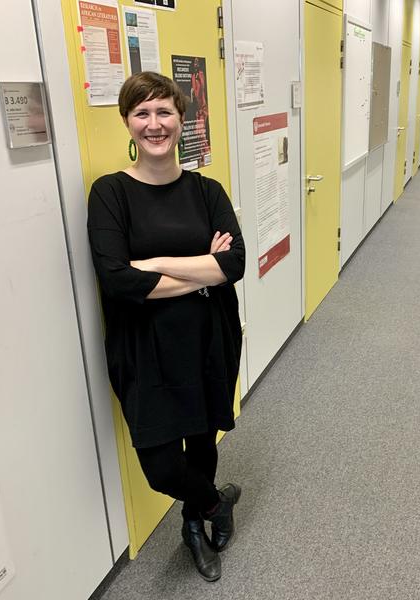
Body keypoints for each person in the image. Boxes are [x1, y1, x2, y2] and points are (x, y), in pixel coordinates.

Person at [86, 72, 245, 582]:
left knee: (202, 443)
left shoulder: (207, 190)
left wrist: (152, 264)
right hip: (143, 347)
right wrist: (201, 267)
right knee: (161, 467)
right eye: (142, 113)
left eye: (164, 112)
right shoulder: (110, 193)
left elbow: (234, 265)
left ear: (182, 118)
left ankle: (192, 527)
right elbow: (116, 280)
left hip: (206, 337)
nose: (155, 125)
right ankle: (214, 504)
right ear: (128, 122)